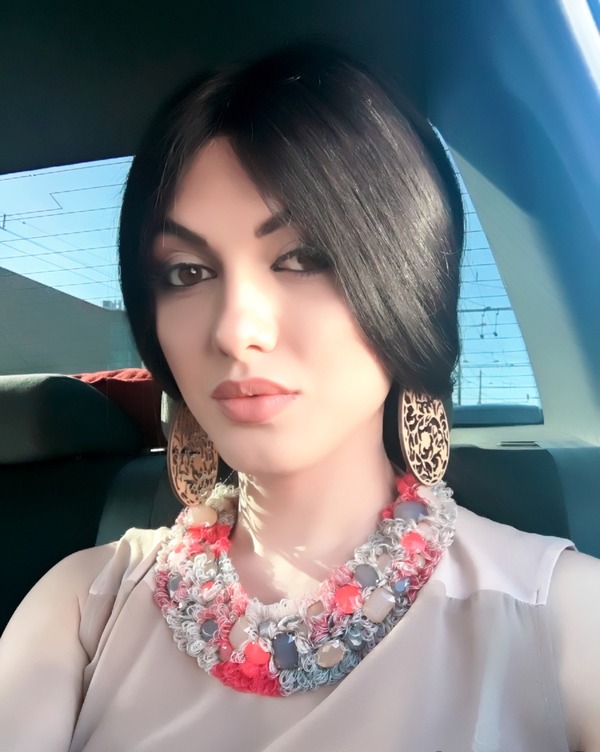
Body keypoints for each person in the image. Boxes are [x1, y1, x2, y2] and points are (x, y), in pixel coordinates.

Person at [1, 42, 599, 752]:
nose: (235, 330)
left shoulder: (561, 616)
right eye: (187, 272)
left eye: (304, 258)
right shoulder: (82, 605)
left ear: (409, 286)